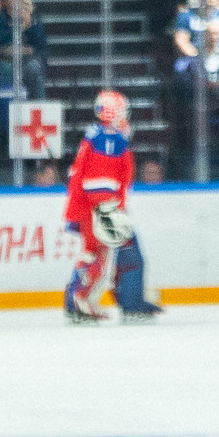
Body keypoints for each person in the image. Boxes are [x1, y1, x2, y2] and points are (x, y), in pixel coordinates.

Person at [62, 90, 161, 324]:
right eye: (123, 111)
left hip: (87, 205)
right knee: (98, 255)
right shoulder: (109, 138)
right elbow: (99, 180)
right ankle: (80, 297)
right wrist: (108, 209)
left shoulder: (97, 134)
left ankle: (78, 299)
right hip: (97, 207)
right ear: (113, 112)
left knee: (92, 253)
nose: (125, 116)